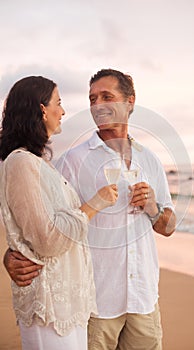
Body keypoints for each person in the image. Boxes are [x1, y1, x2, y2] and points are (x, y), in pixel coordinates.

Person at [3, 69, 176, 350]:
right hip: (96, 303)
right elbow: (39, 219)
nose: (97, 105)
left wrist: (153, 207)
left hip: (144, 300)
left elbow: (168, 227)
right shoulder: (73, 160)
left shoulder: (150, 159)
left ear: (130, 102)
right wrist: (12, 255)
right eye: (92, 98)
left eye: (107, 97)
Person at [0, 75, 118, 350]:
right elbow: (47, 239)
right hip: (49, 305)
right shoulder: (20, 163)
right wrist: (93, 205)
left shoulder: (39, 163)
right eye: (59, 103)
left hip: (67, 301)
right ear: (42, 109)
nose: (63, 111)